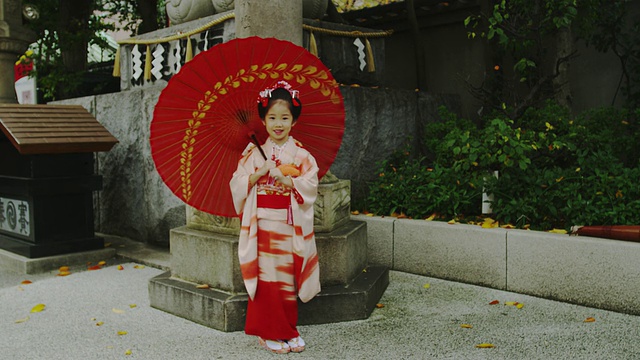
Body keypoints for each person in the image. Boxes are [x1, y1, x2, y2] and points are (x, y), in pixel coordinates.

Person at [229, 80, 321, 354]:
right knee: (266, 278)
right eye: (272, 118)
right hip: (262, 225)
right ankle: (267, 332)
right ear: (263, 120)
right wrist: (259, 173)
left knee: (286, 278)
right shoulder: (253, 154)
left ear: (294, 121)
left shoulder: (302, 154)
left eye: (285, 118)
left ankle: (288, 329)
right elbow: (237, 183)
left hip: (289, 223)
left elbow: (311, 184)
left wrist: (289, 181)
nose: (278, 124)